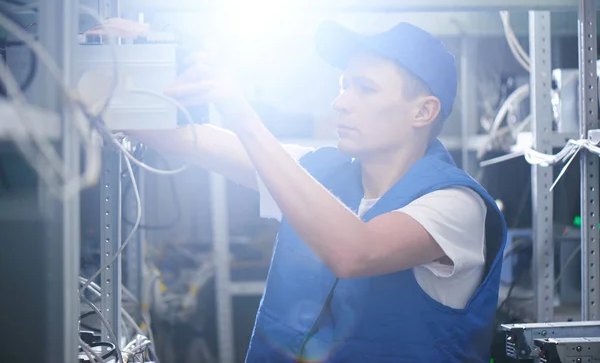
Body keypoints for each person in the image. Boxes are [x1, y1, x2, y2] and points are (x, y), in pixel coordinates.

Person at [134, 21, 507, 362]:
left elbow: (355, 252)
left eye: (365, 88)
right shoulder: (320, 174)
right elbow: (183, 139)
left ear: (423, 112)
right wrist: (136, 52)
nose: (340, 102)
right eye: (344, 85)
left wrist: (243, 116)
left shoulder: (456, 205)